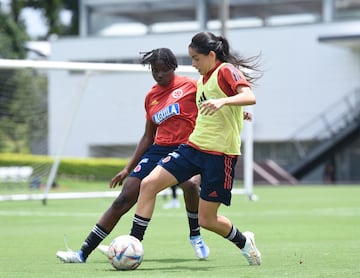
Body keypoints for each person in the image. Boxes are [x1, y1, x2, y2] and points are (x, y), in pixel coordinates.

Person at [56, 48, 210, 263]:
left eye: (163, 70)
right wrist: (128, 168)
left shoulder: (191, 86)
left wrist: (239, 112)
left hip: (187, 147)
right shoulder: (151, 96)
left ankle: (195, 235)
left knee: (191, 185)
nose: (159, 75)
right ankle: (82, 253)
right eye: (154, 71)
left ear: (173, 68)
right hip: (158, 149)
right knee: (125, 197)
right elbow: (148, 136)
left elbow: (217, 101)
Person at [129, 31, 263, 266]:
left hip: (220, 156)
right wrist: (235, 110)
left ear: (211, 55)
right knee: (148, 184)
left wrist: (226, 102)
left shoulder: (226, 70)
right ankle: (132, 246)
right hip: (193, 147)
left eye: (196, 58)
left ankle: (244, 242)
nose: (193, 64)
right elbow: (212, 110)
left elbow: (248, 95)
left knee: (207, 220)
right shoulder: (203, 81)